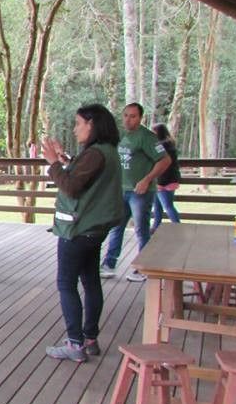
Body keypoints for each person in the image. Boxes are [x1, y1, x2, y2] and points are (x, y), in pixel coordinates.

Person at [41, 103, 124, 362]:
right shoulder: (107, 152)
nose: (75, 129)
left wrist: (54, 164)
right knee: (90, 281)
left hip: (78, 228)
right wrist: (66, 161)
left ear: (92, 124)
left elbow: (71, 187)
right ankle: (89, 338)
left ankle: (74, 343)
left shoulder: (96, 153)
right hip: (95, 229)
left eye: (79, 124)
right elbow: (86, 177)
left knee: (66, 283)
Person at [101, 103, 172, 282]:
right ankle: (109, 264)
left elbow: (165, 160)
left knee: (141, 229)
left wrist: (147, 179)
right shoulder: (120, 135)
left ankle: (143, 267)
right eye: (125, 115)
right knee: (116, 226)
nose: (128, 119)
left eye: (133, 116)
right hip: (120, 189)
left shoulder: (147, 137)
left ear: (140, 118)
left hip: (141, 191)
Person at [150, 123, 181, 233]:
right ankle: (155, 227)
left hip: (163, 181)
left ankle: (177, 228)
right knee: (158, 207)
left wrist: (159, 182)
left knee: (167, 206)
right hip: (167, 180)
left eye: (153, 132)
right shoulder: (169, 145)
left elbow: (164, 166)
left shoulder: (163, 147)